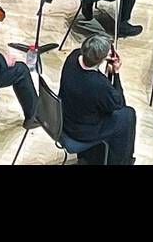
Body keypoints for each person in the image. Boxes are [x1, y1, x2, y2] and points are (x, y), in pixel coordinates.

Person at [58, 34, 136, 165]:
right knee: (127, 115)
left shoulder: (72, 57)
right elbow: (119, 104)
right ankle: (122, 162)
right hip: (80, 131)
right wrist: (115, 73)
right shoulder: (99, 84)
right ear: (102, 59)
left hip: (62, 118)